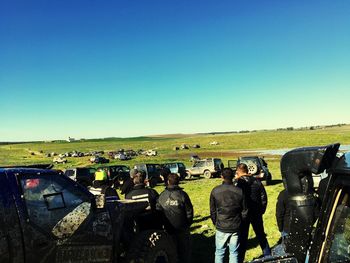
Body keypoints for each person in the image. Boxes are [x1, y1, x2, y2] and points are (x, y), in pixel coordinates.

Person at [235, 163, 271, 263]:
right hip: (256, 212)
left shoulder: (238, 183)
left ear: (238, 171)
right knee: (261, 235)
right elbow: (263, 197)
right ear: (247, 170)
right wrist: (261, 211)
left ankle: (240, 259)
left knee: (242, 238)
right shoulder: (256, 181)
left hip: (243, 214)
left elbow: (236, 199)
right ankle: (268, 256)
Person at [210, 168, 247, 263]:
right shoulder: (239, 191)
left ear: (222, 176)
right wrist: (240, 223)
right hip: (235, 226)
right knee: (234, 252)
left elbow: (212, 211)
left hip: (222, 226)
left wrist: (216, 223)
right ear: (234, 176)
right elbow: (244, 211)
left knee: (219, 252)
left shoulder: (215, 191)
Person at [157, 173, 194, 263]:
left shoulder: (162, 195)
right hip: (179, 228)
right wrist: (187, 223)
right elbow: (189, 212)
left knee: (172, 251)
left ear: (168, 182)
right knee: (183, 251)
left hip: (169, 228)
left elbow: (158, 211)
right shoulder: (182, 194)